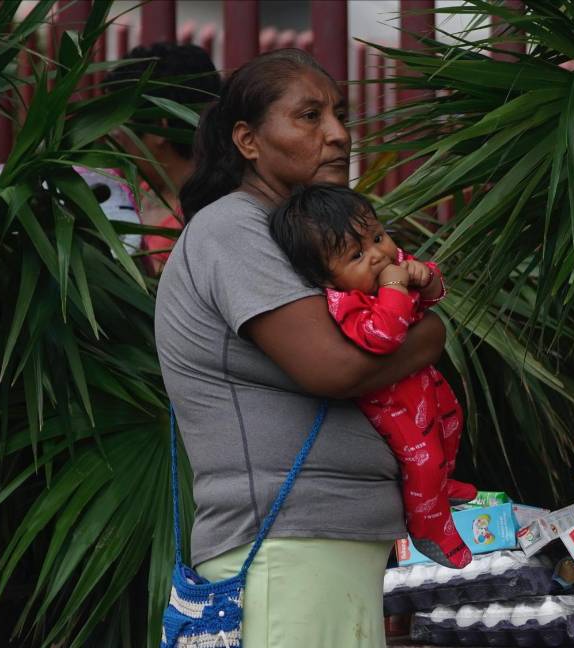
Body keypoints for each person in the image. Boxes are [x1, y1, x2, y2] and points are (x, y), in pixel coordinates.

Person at [156, 49, 447, 647]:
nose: (338, 134)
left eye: (338, 114)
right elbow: (334, 367)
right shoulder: (233, 228)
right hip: (284, 549)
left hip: (323, 546)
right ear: (248, 140)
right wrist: (432, 335)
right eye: (309, 116)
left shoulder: (293, 235)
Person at [269, 184, 476, 569]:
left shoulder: (388, 268)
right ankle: (430, 527)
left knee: (451, 422)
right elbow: (384, 336)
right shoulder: (345, 302)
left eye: (378, 236)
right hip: (392, 402)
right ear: (327, 278)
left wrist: (424, 277)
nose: (380, 255)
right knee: (423, 458)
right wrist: (397, 285)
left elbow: (432, 295)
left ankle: (440, 488)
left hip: (423, 383)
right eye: (357, 254)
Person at [105, 43, 220, 273]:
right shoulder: (127, 192)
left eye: (119, 124)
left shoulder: (207, 223)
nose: (111, 135)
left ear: (159, 128)